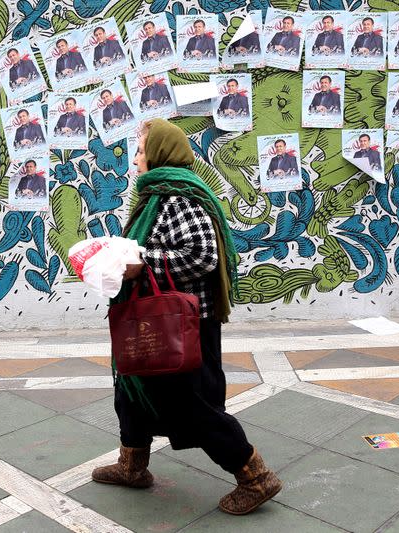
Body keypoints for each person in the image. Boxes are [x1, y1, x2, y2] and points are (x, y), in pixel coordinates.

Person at [91, 118, 282, 516]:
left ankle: (255, 477)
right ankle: (132, 467)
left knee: (192, 406)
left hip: (184, 326)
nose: (136, 159)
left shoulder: (180, 197)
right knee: (131, 393)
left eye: (141, 150)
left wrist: (141, 262)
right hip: (153, 320)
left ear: (161, 152)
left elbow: (204, 257)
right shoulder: (157, 195)